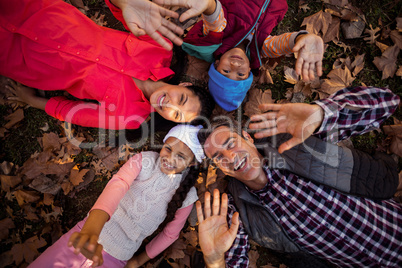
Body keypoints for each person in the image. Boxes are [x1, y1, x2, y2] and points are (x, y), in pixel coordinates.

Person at [196, 86, 402, 267]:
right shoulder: (237, 211)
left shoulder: (294, 139)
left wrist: (322, 114)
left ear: (247, 137)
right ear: (220, 169)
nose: (230, 158)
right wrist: (215, 260)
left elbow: (387, 102)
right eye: (218, 158)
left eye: (231, 144)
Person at [1, 0, 214, 130]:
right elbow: (127, 11)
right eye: (182, 100)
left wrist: (31, 100)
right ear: (184, 86)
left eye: (176, 115)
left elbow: (78, 114)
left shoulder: (130, 118)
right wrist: (124, 2)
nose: (170, 105)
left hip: (26, 62)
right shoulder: (160, 49)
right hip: (46, 15)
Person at [28, 124, 205, 267]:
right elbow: (118, 184)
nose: (170, 158)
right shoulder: (145, 160)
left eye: (181, 156)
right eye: (168, 148)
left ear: (191, 163)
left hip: (118, 257)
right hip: (88, 232)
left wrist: (138, 260)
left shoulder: (187, 196)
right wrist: (92, 229)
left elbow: (170, 234)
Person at [181, 0, 324, 111]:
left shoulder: (218, 37)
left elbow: (214, 19)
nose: (235, 65)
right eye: (240, 74)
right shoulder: (260, 49)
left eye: (226, 71)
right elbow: (282, 44)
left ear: (217, 63)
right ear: (249, 70)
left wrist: (208, 5)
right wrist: (303, 39)